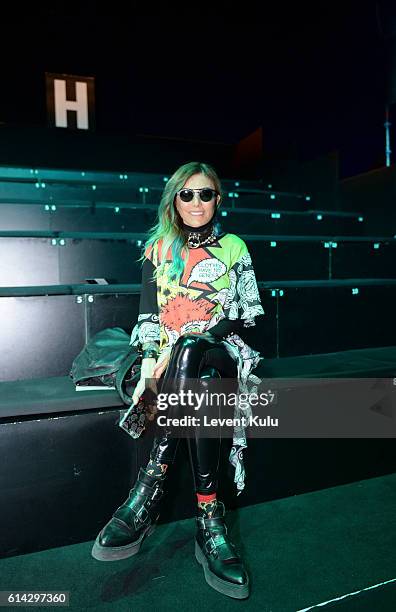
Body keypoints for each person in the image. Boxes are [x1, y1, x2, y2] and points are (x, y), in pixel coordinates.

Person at [91, 162, 265, 599]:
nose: (195, 202)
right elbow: (148, 316)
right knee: (191, 371)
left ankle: (150, 485)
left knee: (193, 351)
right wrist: (150, 365)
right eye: (186, 194)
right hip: (173, 362)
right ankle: (210, 518)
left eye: (204, 194)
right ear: (174, 199)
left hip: (219, 351)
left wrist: (198, 335)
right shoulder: (157, 249)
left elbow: (244, 312)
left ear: (217, 199)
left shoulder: (233, 246)